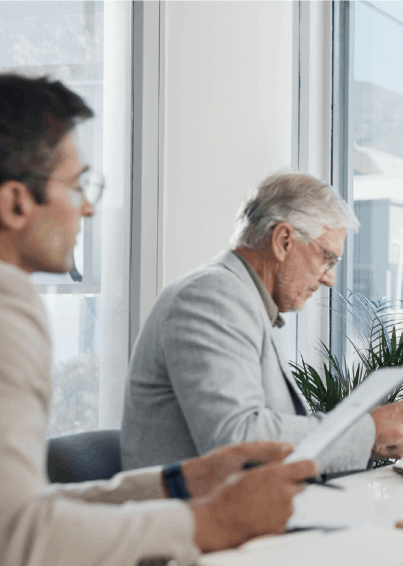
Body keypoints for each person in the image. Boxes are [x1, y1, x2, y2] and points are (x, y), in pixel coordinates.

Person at [0, 74, 318, 566]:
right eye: (76, 184)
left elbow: (20, 514)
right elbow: (20, 539)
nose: (86, 208)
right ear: (16, 202)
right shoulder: (8, 307)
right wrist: (211, 522)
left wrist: (175, 483)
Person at [120, 171, 403, 472]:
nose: (330, 279)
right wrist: (368, 431)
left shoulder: (241, 300)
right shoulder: (211, 296)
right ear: (283, 241)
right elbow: (236, 441)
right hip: (199, 529)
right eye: (328, 257)